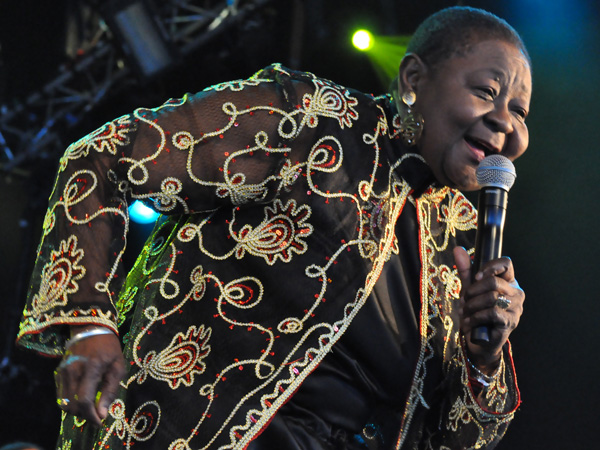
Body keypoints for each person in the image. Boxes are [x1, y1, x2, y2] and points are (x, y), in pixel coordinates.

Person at [16, 6, 530, 450]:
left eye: (521, 112)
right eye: (487, 91)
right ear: (413, 80)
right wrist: (89, 323)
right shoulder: (312, 120)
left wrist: (482, 359)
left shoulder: (450, 247)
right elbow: (104, 158)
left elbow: (451, 439)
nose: (507, 122)